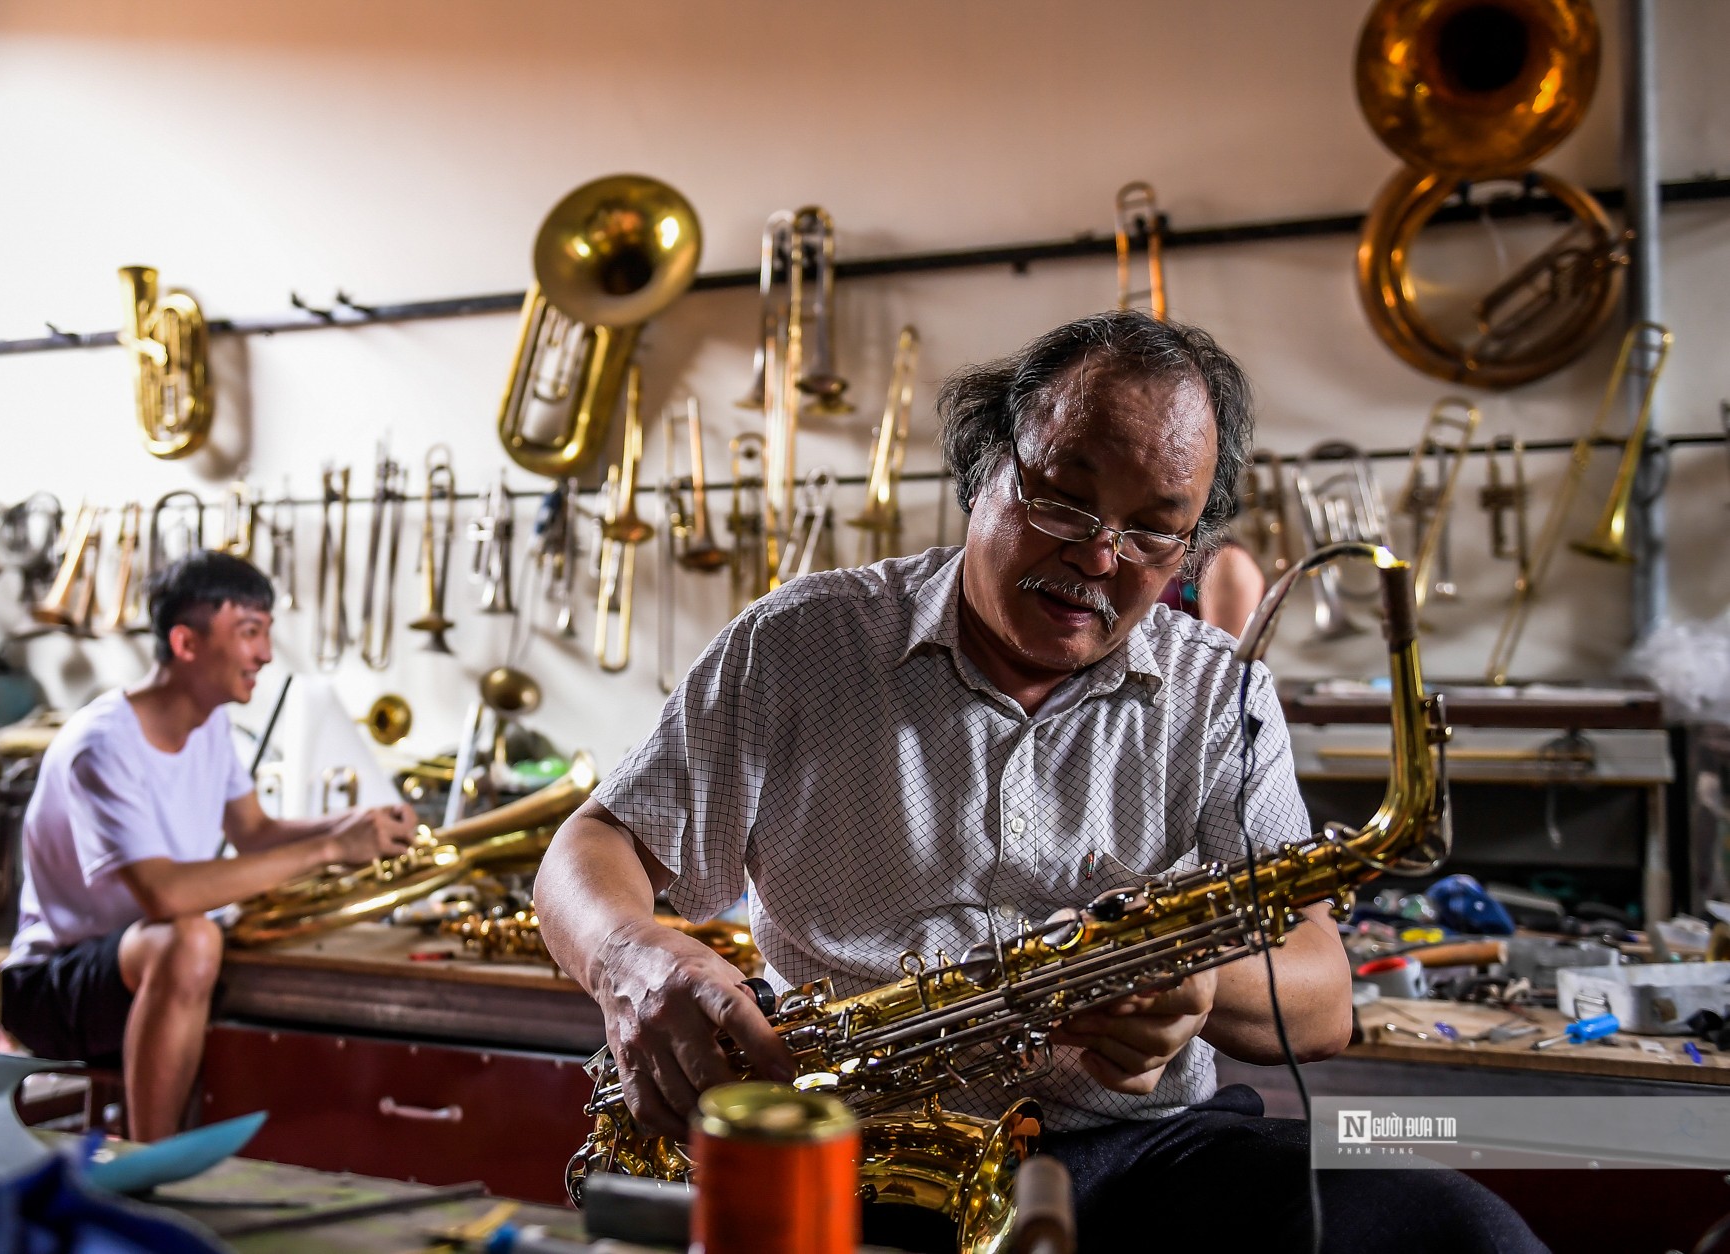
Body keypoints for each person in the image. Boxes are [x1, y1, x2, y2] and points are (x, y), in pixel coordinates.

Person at [534, 310, 1543, 1252]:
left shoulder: (1220, 694)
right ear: (984, 469)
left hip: (1143, 1150)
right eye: (1064, 497)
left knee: (1460, 1231)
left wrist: (1199, 983)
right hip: (852, 1146)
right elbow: (594, 847)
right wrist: (633, 956)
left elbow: (1319, 1003)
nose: (1099, 558)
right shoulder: (796, 644)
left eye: (1154, 529)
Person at [1, 551, 417, 1142]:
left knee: (228, 943)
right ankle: (151, 1163)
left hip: (137, 962)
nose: (265, 655)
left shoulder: (209, 724)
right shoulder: (103, 745)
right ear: (186, 643)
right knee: (194, 936)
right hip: (52, 985)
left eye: (266, 633)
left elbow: (255, 832)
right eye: (249, 633)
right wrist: (328, 850)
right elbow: (165, 894)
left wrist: (354, 824)